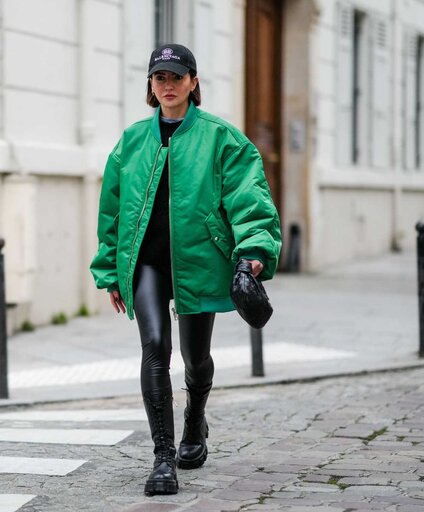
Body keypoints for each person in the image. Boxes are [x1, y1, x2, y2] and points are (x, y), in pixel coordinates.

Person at [90, 43, 281, 496]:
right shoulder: (132, 140)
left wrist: (252, 252)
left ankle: (195, 418)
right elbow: (111, 212)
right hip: (148, 264)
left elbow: (250, 200)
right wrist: (110, 270)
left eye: (177, 77)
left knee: (196, 359)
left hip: (200, 261)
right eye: (160, 78)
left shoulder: (222, 138)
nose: (168, 85)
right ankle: (162, 458)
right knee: (155, 347)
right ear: (150, 86)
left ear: (194, 83)